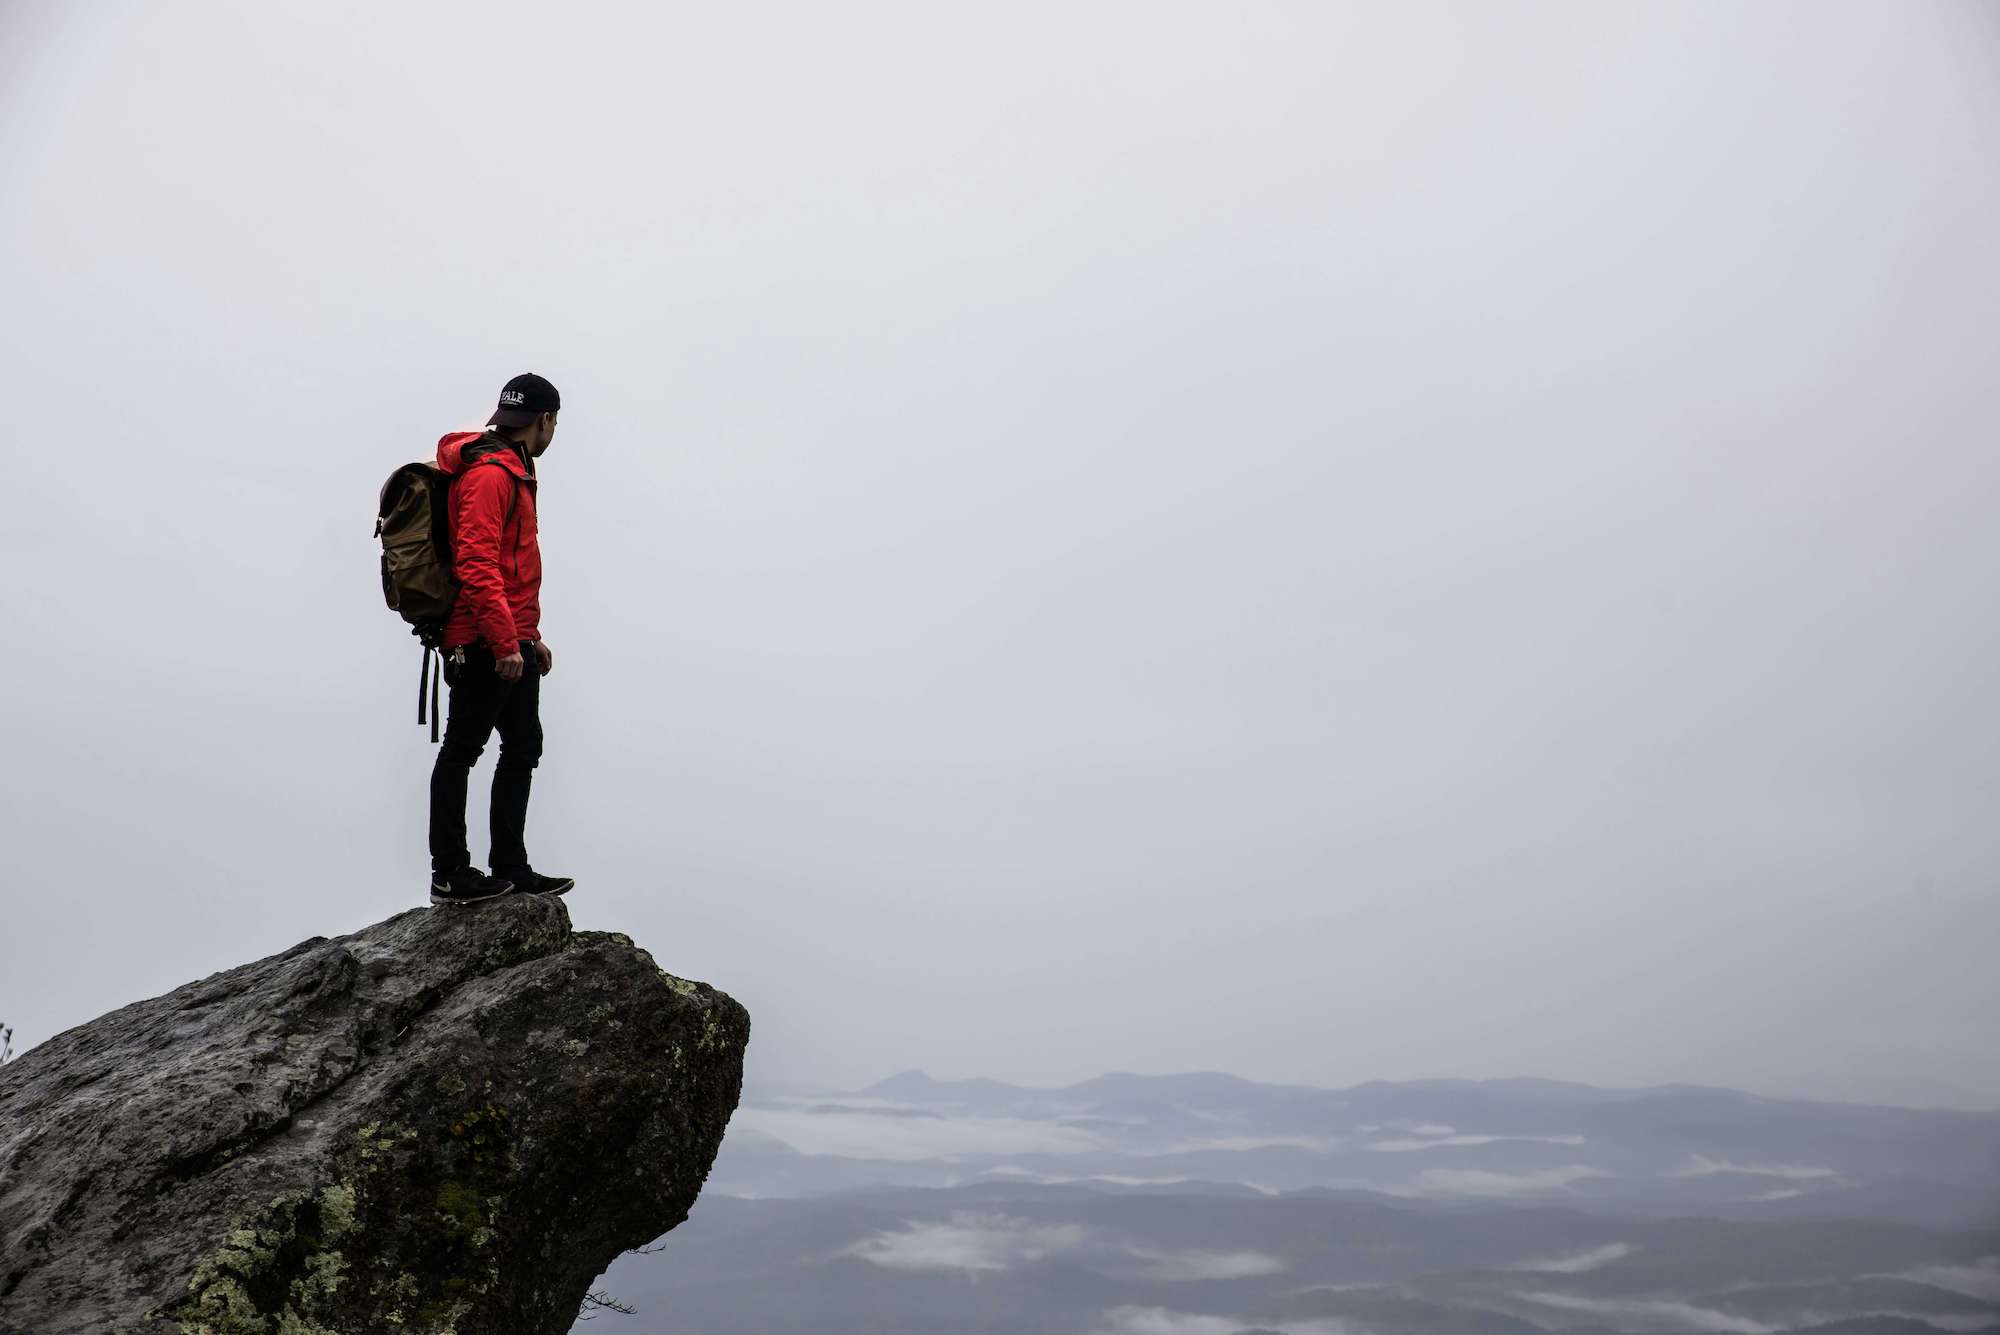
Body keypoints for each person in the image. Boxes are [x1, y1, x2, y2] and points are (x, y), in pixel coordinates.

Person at [427, 373, 576, 905]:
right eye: (555, 423)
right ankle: (449, 872)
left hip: (511, 636)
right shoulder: (491, 474)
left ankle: (509, 866)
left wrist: (529, 637)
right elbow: (476, 563)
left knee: (523, 747)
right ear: (545, 420)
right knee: (463, 750)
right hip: (482, 639)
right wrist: (504, 641)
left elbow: (512, 568)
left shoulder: (515, 469)